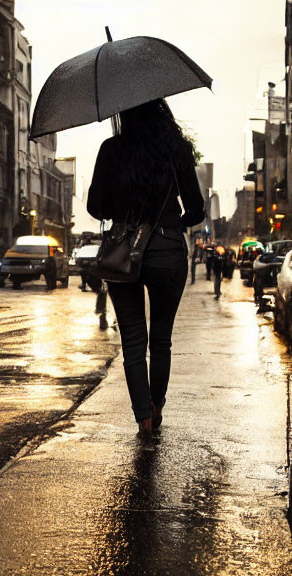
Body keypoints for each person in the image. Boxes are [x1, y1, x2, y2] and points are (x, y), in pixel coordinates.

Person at [87, 99, 205, 436]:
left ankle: (143, 417)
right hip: (168, 248)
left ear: (123, 111)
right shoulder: (176, 148)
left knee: (133, 341)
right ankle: (157, 403)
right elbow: (195, 210)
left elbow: (96, 206)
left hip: (125, 251)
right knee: (161, 338)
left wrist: (123, 205)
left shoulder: (111, 149)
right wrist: (174, 220)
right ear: (159, 108)